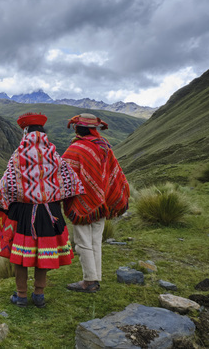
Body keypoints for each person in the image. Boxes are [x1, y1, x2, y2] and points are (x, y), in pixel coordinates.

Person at [0, 112, 85, 308]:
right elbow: (71, 180)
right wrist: (50, 193)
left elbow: (7, 186)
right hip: (50, 212)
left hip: (23, 212)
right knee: (43, 253)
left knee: (21, 255)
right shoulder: (54, 156)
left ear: (25, 132)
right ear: (43, 133)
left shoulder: (19, 155)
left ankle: (21, 295)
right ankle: (39, 294)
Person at [62, 113, 130, 293]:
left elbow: (64, 176)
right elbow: (115, 175)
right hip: (102, 203)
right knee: (95, 241)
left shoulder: (76, 149)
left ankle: (89, 281)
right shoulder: (105, 148)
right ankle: (95, 278)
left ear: (77, 128)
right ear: (93, 129)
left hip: (82, 204)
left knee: (83, 241)